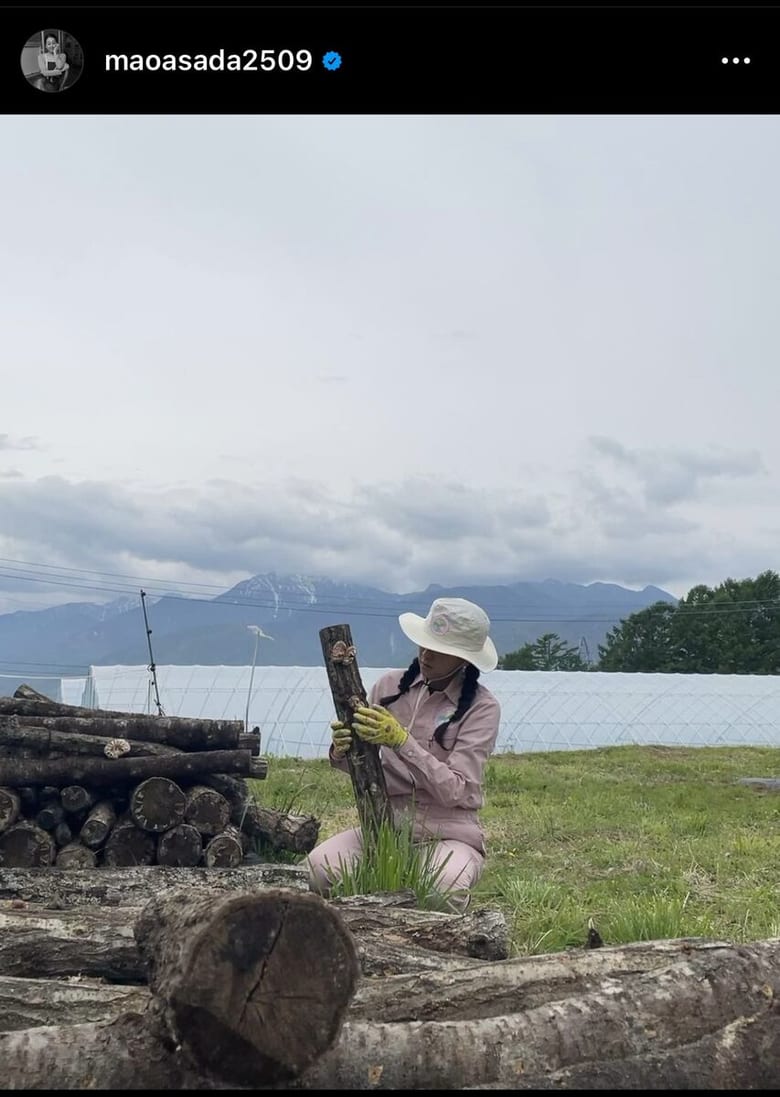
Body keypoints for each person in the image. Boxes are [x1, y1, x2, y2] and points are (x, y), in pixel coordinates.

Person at [307, 596, 501, 909]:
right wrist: (343, 750)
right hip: (384, 824)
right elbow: (366, 765)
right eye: (425, 643)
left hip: (448, 833)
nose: (426, 654)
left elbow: (455, 790)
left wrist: (402, 742)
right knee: (317, 871)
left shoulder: (482, 708)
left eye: (441, 650)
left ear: (464, 659)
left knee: (442, 890)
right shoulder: (388, 686)